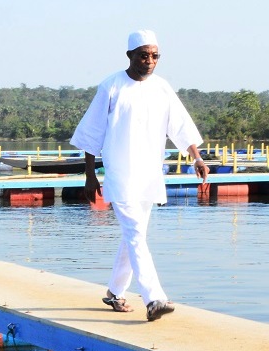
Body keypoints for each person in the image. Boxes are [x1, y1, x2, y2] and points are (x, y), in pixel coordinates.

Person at [70, 29, 209, 322]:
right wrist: (90, 175)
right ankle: (154, 298)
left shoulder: (162, 88)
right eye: (143, 55)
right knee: (135, 232)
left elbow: (181, 126)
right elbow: (92, 133)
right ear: (130, 56)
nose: (149, 61)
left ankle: (114, 292)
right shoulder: (111, 86)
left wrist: (196, 158)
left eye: (155, 56)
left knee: (135, 235)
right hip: (119, 173)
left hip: (149, 174)